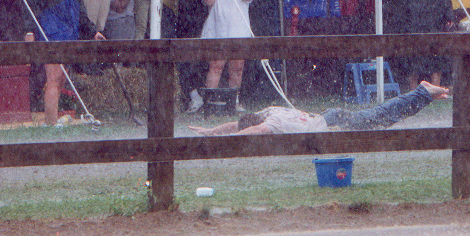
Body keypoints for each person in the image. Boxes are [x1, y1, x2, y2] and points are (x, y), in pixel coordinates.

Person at [24, 0, 105, 126]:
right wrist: (29, 32)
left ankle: (52, 122)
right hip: (52, 38)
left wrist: (93, 32)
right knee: (53, 79)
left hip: (70, 38)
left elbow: (81, 14)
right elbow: (30, 9)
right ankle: (51, 124)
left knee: (61, 80)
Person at [189, 80, 448, 136]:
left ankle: (422, 92)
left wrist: (224, 140)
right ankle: (422, 95)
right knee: (382, 117)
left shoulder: (270, 124)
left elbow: (247, 130)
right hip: (328, 118)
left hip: (333, 123)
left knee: (382, 116)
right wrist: (211, 130)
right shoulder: (268, 110)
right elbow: (240, 124)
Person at [196, 0, 255, 113]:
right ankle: (208, 103)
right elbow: (208, 1)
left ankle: (233, 102)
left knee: (236, 69)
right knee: (215, 67)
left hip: (238, 32)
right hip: (218, 32)